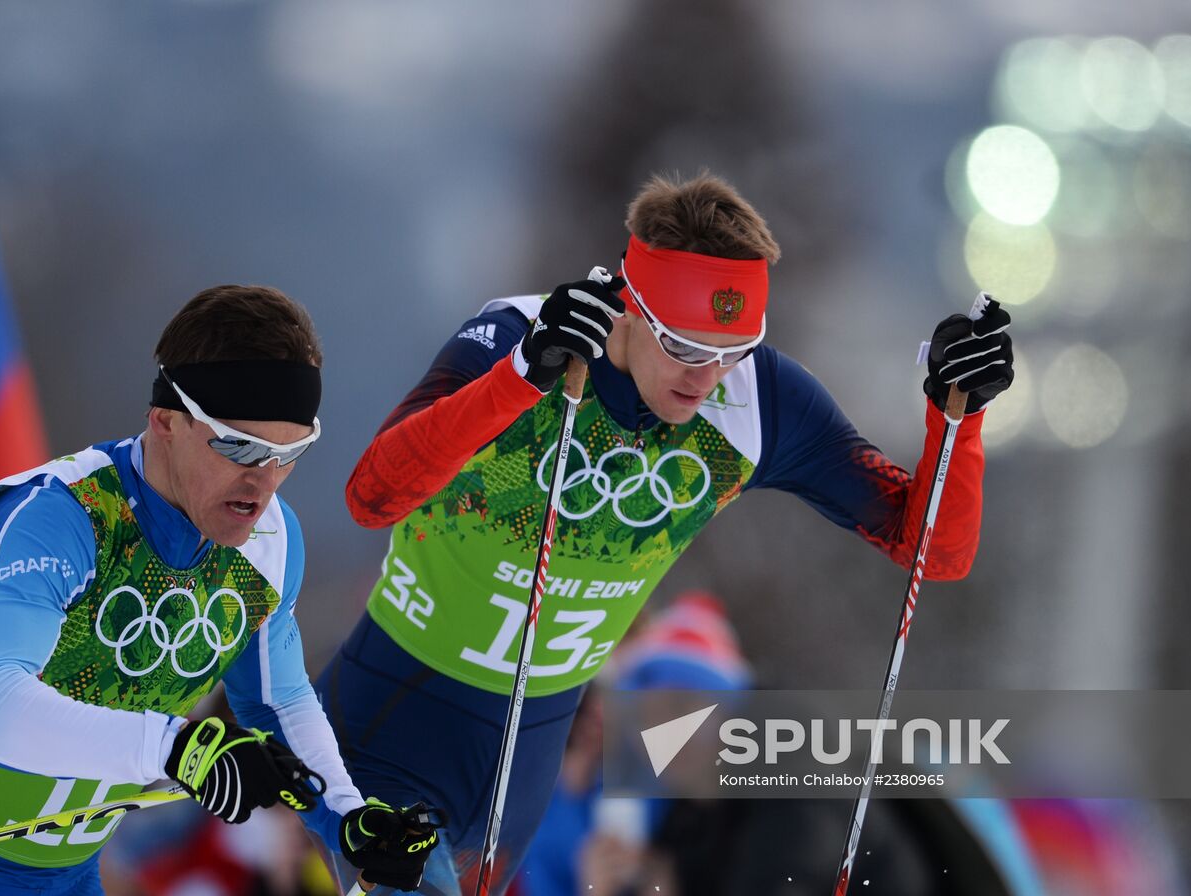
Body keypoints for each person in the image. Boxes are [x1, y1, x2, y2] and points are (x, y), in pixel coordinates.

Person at [317, 171, 1015, 895]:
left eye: (734, 347)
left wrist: (957, 418)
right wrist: (522, 378)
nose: (707, 376)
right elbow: (372, 496)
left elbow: (932, 551)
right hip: (394, 718)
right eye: (683, 346)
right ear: (629, 305)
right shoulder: (519, 338)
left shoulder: (759, 402)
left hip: (527, 758)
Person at [0, 286, 438, 895]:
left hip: (67, 878)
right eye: (239, 446)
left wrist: (349, 818)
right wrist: (175, 749)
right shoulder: (63, 515)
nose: (263, 483)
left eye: (290, 453)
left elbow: (278, 704)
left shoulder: (270, 543)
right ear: (165, 421)